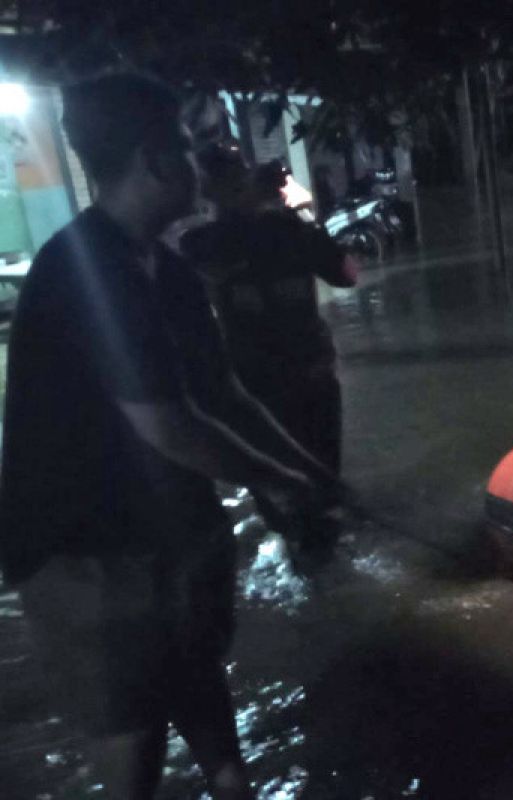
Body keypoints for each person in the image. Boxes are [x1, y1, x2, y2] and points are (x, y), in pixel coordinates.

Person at [0, 74, 339, 800]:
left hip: (165, 528)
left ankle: (231, 785)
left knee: (195, 668)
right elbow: (167, 423)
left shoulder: (171, 271)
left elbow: (226, 396)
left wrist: (305, 467)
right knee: (134, 729)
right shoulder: (85, 271)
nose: (203, 163)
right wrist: (277, 482)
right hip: (84, 549)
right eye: (191, 147)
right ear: (156, 161)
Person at [183, 145, 357, 553]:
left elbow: (345, 273)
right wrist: (290, 213)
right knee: (292, 493)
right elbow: (346, 271)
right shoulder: (205, 243)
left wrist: (292, 213)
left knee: (311, 490)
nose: (242, 183)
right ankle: (313, 557)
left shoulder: (275, 231)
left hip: (293, 380)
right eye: (233, 179)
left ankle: (316, 560)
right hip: (261, 389)